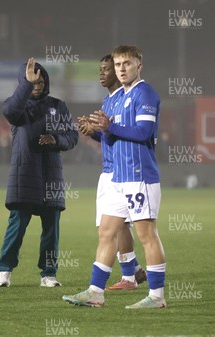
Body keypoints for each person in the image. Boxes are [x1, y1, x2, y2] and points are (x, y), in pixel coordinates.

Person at [63, 45, 166, 309]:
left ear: (138, 66)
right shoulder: (115, 98)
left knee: (147, 236)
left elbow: (143, 132)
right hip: (117, 178)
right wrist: (96, 132)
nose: (121, 69)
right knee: (107, 234)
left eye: (126, 64)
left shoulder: (146, 93)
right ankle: (95, 293)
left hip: (139, 175)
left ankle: (157, 297)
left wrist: (110, 127)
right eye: (118, 64)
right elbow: (113, 135)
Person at [0, 58, 78, 289]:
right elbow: (10, 112)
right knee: (16, 227)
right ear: (23, 81)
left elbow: (73, 137)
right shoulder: (16, 105)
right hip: (24, 174)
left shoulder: (58, 106)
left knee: (51, 229)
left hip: (52, 175)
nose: (37, 83)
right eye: (32, 80)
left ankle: (48, 274)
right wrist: (26, 86)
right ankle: (4, 271)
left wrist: (56, 140)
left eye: (41, 80)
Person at [77, 54, 146, 291]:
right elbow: (110, 136)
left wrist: (103, 130)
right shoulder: (108, 102)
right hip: (108, 170)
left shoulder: (124, 99)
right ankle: (133, 271)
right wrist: (92, 132)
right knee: (116, 226)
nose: (101, 73)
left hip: (120, 171)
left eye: (106, 69)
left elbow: (131, 133)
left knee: (115, 227)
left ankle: (128, 276)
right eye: (102, 69)